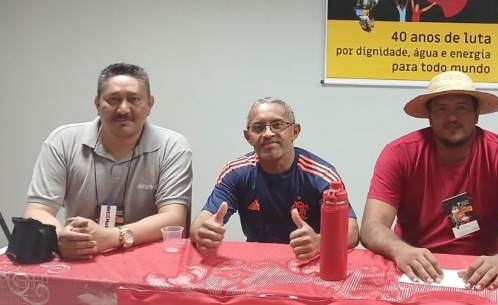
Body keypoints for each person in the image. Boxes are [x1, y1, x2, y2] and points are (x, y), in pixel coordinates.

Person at [360, 71, 498, 290]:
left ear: (476, 114)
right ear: (429, 117)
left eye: (461, 108)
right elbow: (371, 226)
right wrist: (399, 250)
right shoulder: (399, 154)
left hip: (481, 273)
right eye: (441, 109)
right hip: (413, 270)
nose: (452, 118)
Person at [24, 63, 193, 260]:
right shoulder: (63, 141)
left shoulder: (172, 147)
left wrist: (113, 237)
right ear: (97, 103)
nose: (123, 109)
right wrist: (60, 238)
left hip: (149, 261)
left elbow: (174, 218)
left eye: (134, 99)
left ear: (149, 104)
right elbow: (37, 209)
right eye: (113, 99)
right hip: (81, 258)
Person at [191, 97, 359, 260]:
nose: (268, 134)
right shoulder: (235, 173)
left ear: (295, 131)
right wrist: (204, 232)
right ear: (248, 137)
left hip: (308, 260)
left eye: (277, 125)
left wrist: (321, 242)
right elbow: (199, 225)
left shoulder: (321, 175)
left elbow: (351, 231)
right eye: (258, 127)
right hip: (256, 263)